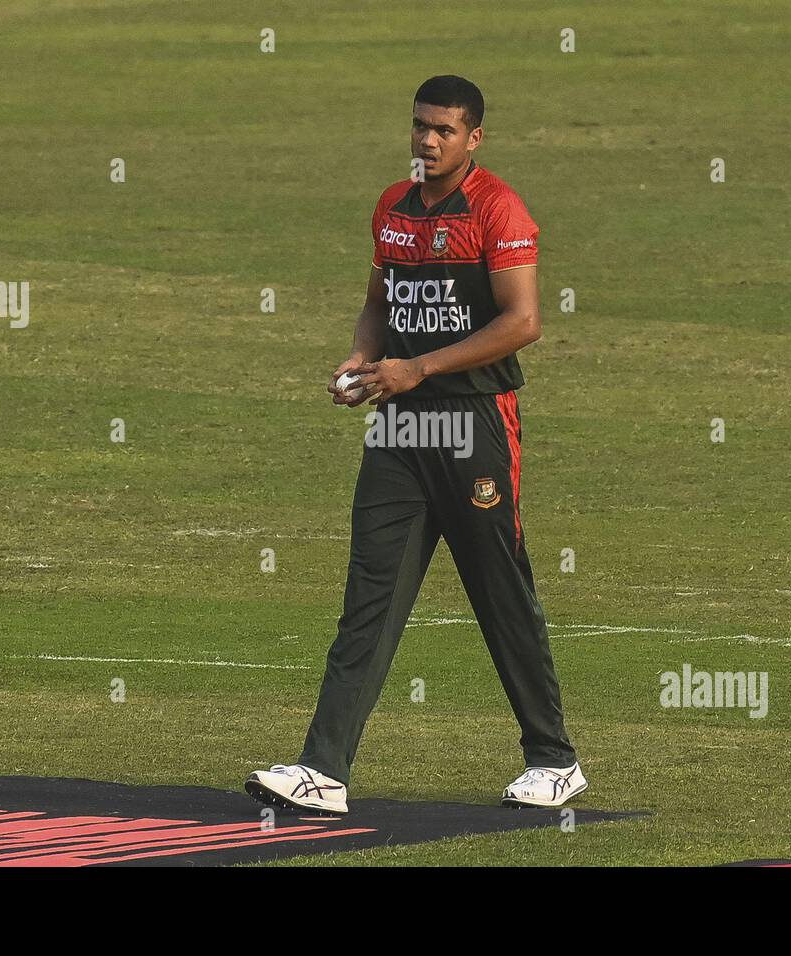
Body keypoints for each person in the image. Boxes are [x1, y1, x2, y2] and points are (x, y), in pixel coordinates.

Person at [246, 75, 584, 814]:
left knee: (499, 591)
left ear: (474, 139)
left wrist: (418, 368)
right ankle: (324, 769)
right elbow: (379, 303)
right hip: (398, 428)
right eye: (420, 126)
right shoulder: (392, 207)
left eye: (444, 130)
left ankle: (553, 760)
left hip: (472, 427)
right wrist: (359, 360)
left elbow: (523, 322)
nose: (427, 141)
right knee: (369, 595)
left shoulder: (499, 209)